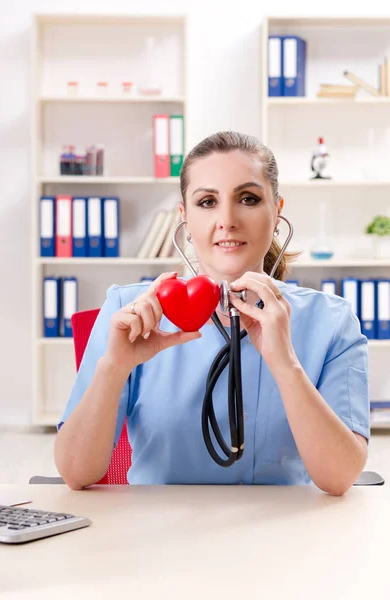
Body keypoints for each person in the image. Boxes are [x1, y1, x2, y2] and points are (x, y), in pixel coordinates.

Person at [54, 131, 369, 494]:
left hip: (284, 537)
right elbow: (76, 474)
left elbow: (340, 477)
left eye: (248, 198)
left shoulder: (331, 322)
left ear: (277, 210)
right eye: (207, 202)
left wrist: (286, 364)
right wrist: (115, 367)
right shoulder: (129, 313)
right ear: (184, 218)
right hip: (157, 537)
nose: (227, 220)